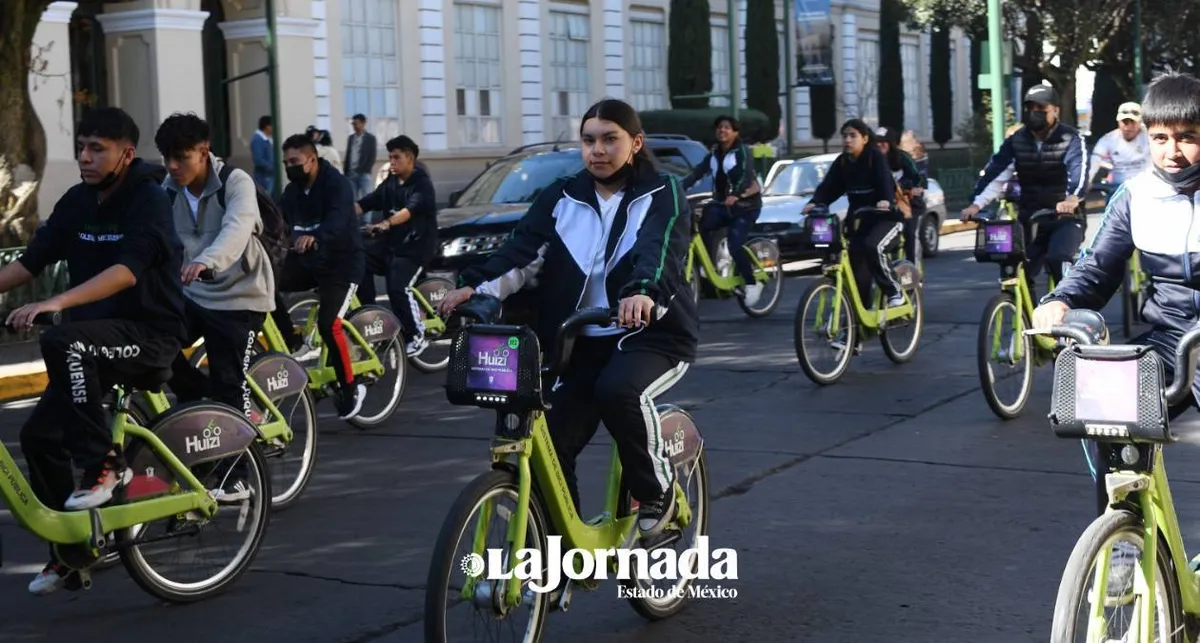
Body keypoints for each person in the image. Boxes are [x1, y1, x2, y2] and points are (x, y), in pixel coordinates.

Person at [437, 98, 699, 540]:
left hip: (648, 335)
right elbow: (520, 254)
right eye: (589, 140)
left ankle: (658, 493)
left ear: (634, 143)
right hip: (577, 340)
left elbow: (662, 251)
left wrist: (641, 292)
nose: (597, 149)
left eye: (610, 139)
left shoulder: (662, 192)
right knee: (549, 442)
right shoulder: (561, 195)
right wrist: (475, 287)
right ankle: (562, 553)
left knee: (618, 391)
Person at [0, 107, 188, 594]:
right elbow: (30, 263)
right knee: (40, 437)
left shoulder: (149, 201)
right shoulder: (77, 202)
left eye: (96, 148)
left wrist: (58, 301)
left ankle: (106, 463)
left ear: (126, 154)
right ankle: (75, 549)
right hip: (93, 341)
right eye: (81, 146)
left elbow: (128, 271)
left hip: (149, 334)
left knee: (63, 336)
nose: (84, 156)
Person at [1031, 72, 1200, 593]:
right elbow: (1097, 268)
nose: (1173, 151)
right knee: (1109, 415)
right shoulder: (1135, 195)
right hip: (1171, 339)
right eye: (1161, 138)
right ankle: (1124, 535)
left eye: (1189, 136)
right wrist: (1060, 301)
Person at [155, 112, 275, 429]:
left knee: (228, 385)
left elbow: (237, 228)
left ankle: (239, 473)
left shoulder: (235, 182)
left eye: (181, 158)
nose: (172, 166)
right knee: (153, 341)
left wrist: (207, 260)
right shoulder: (166, 190)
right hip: (194, 293)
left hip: (240, 296)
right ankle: (193, 389)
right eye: (167, 158)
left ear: (204, 151)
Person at [272, 134, 366, 420]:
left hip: (342, 265)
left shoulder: (337, 185)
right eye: (286, 162)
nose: (290, 167)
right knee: (265, 285)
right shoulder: (294, 190)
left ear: (312, 160)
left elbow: (337, 221)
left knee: (329, 325)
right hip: (310, 262)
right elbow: (276, 218)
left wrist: (315, 236)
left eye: (295, 161)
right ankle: (291, 338)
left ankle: (351, 388)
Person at [961, 84, 1089, 291]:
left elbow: (1079, 171)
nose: (1034, 113)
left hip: (1065, 218)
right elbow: (996, 174)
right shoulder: (1016, 140)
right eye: (1030, 108)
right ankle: (1025, 314)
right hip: (1029, 218)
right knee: (1016, 266)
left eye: (1041, 109)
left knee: (1058, 258)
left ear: (1055, 110)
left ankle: (1068, 310)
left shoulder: (1071, 139)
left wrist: (1072, 199)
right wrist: (975, 205)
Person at [803, 119, 905, 313]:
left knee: (873, 247)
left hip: (886, 219)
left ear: (865, 138)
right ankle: (856, 328)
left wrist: (885, 200)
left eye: (853, 136)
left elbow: (884, 180)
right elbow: (829, 186)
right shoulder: (843, 162)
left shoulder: (873, 156)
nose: (847, 140)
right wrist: (816, 202)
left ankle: (894, 291)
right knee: (856, 270)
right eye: (844, 136)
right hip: (860, 221)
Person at [354, 135, 438, 356]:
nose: (391, 162)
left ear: (409, 158)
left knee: (397, 287)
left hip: (415, 247)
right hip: (392, 245)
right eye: (390, 157)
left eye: (396, 157)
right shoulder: (391, 183)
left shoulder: (421, 183)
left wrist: (386, 223)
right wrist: (341, 214)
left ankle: (415, 335)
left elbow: (410, 210)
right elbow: (368, 202)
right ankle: (371, 315)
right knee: (359, 259)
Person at [679, 115, 764, 305]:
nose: (722, 131)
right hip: (723, 205)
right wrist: (677, 187)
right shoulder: (714, 155)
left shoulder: (742, 152)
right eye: (719, 127)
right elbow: (696, 174)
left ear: (735, 132)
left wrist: (737, 194)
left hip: (745, 207)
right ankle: (707, 265)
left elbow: (745, 174)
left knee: (735, 243)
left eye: (727, 127)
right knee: (702, 226)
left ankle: (752, 283)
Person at [875, 126, 927, 266]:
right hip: (886, 205)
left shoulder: (902, 157)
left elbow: (919, 178)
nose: (880, 145)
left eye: (884, 141)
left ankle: (913, 271)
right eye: (877, 142)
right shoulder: (872, 160)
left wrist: (912, 187)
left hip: (909, 204)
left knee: (910, 234)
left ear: (891, 143)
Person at [1088, 101, 1151, 191]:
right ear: (1118, 121)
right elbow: (1095, 160)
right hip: (1117, 188)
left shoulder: (1150, 136)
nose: (1128, 127)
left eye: (1133, 122)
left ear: (1140, 122)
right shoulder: (1108, 139)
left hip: (1146, 187)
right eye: (1125, 122)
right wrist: (1088, 180)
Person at [343, 114, 377, 201]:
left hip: (364, 174)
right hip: (351, 174)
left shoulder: (370, 138)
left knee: (366, 198)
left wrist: (365, 169)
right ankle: (355, 215)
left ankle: (366, 215)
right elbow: (348, 155)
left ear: (363, 123)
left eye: (356, 123)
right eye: (353, 124)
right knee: (352, 199)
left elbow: (372, 156)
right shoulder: (350, 138)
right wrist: (346, 171)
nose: (354, 126)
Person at [251, 115, 274, 194]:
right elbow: (258, 159)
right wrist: (272, 167)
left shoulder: (268, 138)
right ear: (267, 127)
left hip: (269, 176)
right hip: (264, 177)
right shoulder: (258, 140)